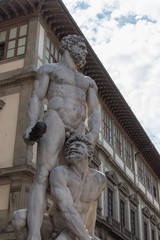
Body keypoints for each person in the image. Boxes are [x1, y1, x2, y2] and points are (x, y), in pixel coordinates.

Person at [23, 35, 100, 240]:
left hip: (78, 128)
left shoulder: (88, 82)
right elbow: (36, 98)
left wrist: (93, 134)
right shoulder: (49, 69)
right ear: (68, 46)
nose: (84, 51)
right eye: (81, 47)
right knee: (41, 175)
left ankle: (69, 231)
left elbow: (94, 112)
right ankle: (33, 235)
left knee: (73, 181)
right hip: (55, 118)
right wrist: (31, 126)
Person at [12, 135, 106, 240]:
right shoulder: (60, 173)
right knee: (18, 217)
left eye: (78, 145)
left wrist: (91, 233)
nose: (73, 147)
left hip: (73, 230)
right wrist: (86, 238)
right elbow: (67, 209)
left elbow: (92, 205)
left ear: (89, 154)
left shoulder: (99, 179)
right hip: (53, 224)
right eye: (70, 146)